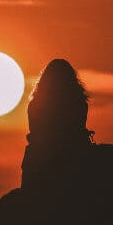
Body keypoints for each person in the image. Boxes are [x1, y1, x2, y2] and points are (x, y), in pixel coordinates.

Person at [21, 59, 95, 189]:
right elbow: (80, 128)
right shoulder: (79, 103)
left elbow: (34, 132)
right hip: (74, 154)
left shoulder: (35, 104)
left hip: (39, 157)